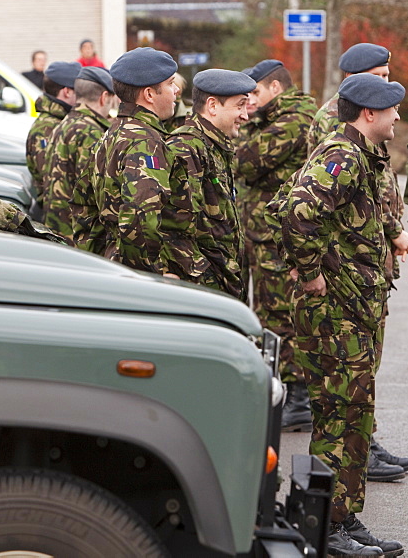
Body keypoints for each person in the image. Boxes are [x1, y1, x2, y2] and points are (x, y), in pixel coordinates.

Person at [276, 73, 408, 557]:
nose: (398, 117)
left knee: (352, 416)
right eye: (391, 109)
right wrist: (310, 273)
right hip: (335, 313)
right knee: (337, 416)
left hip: (354, 308)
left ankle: (344, 516)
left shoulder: (362, 156)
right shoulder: (340, 155)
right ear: (369, 114)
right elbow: (298, 212)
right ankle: (326, 528)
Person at [305, 42, 408, 482]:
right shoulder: (337, 126)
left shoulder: (371, 121)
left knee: (364, 364)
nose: (387, 82)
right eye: (381, 74)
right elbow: (315, 205)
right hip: (347, 268)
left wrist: (392, 232)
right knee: (349, 372)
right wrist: (312, 269)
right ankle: (355, 450)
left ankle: (362, 441)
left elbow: (377, 187)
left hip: (369, 259)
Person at [234, 59, 317, 432]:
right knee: (266, 313)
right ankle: (285, 390)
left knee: (281, 314)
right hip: (258, 233)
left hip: (278, 238)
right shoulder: (267, 119)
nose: (248, 101)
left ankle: (298, 397)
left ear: (276, 89)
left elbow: (246, 161)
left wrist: (237, 131)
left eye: (254, 93)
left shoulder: (297, 118)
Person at [84, 47, 179, 271]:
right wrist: (152, 273)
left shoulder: (111, 132)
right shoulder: (144, 142)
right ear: (149, 94)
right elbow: (140, 217)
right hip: (136, 273)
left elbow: (83, 207)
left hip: (112, 262)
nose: (176, 91)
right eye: (170, 84)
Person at [165, 69, 255, 299]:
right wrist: (204, 284)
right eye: (240, 105)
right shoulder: (186, 148)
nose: (245, 116)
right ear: (212, 106)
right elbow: (176, 230)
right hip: (203, 291)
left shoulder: (213, 146)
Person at [44, 66, 116, 241]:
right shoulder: (91, 132)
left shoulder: (64, 123)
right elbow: (93, 193)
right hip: (77, 236)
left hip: (56, 227)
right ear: (104, 97)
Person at [25, 61, 81, 216]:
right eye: (79, 91)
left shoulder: (60, 121)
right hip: (56, 215)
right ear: (67, 92)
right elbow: (51, 177)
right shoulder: (47, 128)